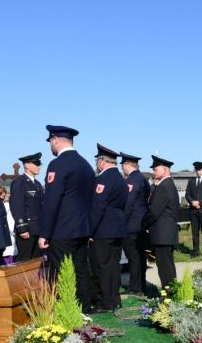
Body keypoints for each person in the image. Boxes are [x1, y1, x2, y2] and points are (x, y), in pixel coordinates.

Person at [38, 125, 95, 310]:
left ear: (55, 139)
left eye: (50, 142)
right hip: (82, 228)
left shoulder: (58, 164)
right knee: (80, 270)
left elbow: (52, 201)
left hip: (63, 230)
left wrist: (44, 233)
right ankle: (84, 306)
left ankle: (66, 308)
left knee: (61, 272)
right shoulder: (85, 165)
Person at [90, 144, 129, 313]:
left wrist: (89, 230)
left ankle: (105, 302)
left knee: (101, 268)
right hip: (117, 229)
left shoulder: (104, 179)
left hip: (103, 230)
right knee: (113, 267)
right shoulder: (120, 178)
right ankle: (114, 299)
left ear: (102, 161)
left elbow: (98, 206)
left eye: (97, 160)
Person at [142, 155, 179, 289]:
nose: (153, 172)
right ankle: (172, 292)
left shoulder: (163, 186)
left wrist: (143, 225)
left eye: (155, 169)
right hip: (166, 234)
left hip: (162, 234)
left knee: (165, 268)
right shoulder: (169, 184)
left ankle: (168, 295)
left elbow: (153, 212)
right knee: (168, 266)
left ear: (165, 170)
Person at [120, 152, 151, 296]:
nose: (122, 169)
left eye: (123, 165)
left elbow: (128, 204)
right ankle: (141, 285)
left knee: (133, 258)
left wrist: (121, 222)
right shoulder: (143, 179)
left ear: (127, 165)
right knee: (140, 257)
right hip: (141, 224)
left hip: (131, 225)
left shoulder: (131, 180)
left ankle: (135, 287)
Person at [9, 152, 44, 262]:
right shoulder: (19, 182)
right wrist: (22, 227)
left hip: (38, 228)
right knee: (25, 261)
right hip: (27, 229)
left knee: (36, 261)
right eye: (36, 163)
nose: (39, 166)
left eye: (39, 164)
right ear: (27, 165)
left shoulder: (37, 184)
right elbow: (17, 206)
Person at [185, 161, 202, 257]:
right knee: (194, 232)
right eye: (196, 170)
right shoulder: (191, 181)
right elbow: (187, 194)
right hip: (193, 211)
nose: (198, 171)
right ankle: (195, 250)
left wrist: (199, 203)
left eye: (199, 170)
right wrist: (192, 202)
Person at [0, 185, 17, 265]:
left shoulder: (6, 205)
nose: (4, 194)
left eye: (4, 192)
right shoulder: (5, 205)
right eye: (1, 193)